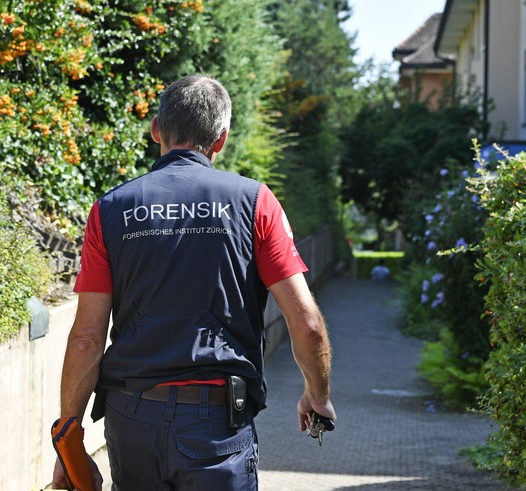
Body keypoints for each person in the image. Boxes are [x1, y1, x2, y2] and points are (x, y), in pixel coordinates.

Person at [52, 74, 335, 491]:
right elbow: (306, 323)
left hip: (132, 422)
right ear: (220, 140)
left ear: (155, 130)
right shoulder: (255, 203)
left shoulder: (109, 210)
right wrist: (317, 393)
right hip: (216, 427)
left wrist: (68, 441)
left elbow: (86, 340)